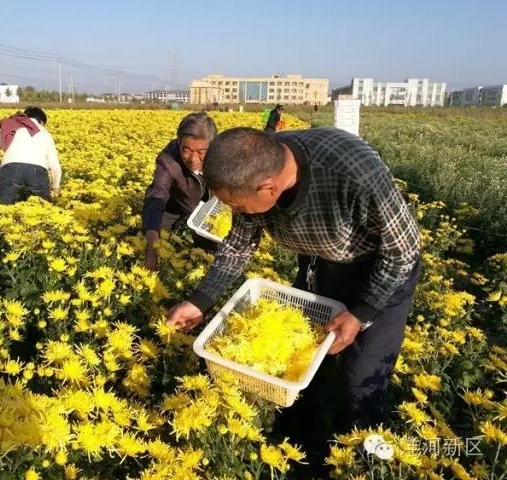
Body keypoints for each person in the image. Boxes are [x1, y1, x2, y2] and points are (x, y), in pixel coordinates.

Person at [166, 127, 421, 474]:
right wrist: (200, 299)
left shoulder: (353, 173)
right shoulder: (251, 172)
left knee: (358, 384)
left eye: (238, 206)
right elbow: (239, 244)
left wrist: (362, 313)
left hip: (382, 270)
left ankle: (360, 465)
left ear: (268, 188)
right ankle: (298, 455)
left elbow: (403, 250)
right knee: (299, 369)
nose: (236, 212)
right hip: (320, 265)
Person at [142, 112, 218, 271]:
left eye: (201, 152)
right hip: (177, 202)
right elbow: (156, 195)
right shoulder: (168, 159)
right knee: (155, 236)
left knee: (211, 252)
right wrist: (152, 248)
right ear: (178, 142)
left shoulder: (223, 155)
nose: (193, 159)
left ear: (213, 145)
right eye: (187, 150)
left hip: (213, 207)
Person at [0, 106, 62, 205]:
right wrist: (55, 186)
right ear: (41, 122)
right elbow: (55, 166)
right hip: (37, 173)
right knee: (40, 208)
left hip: (10, 169)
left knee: (5, 208)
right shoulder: (45, 133)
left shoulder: (13, 124)